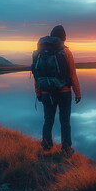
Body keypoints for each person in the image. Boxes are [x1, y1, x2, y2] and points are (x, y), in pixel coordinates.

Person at [34, 25, 81, 156]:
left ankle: (46, 147)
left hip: (46, 93)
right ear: (63, 38)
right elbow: (72, 74)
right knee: (65, 122)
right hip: (64, 92)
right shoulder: (66, 52)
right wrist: (78, 93)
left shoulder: (39, 52)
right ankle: (66, 149)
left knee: (48, 120)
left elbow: (37, 75)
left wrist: (38, 92)